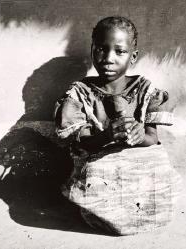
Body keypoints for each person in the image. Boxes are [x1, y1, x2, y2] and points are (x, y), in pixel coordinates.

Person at [53, 16, 178, 235]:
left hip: (136, 172)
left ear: (133, 57)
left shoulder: (144, 90)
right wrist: (107, 135)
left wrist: (140, 137)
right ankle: (106, 216)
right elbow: (82, 146)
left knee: (160, 162)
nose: (109, 58)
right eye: (101, 49)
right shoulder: (80, 93)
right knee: (96, 169)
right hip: (99, 169)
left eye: (120, 51)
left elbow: (152, 139)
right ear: (93, 50)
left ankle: (141, 213)